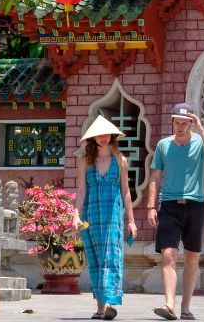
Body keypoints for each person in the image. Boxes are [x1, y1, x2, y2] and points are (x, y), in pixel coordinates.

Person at [146, 102, 204, 321]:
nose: (179, 126)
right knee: (167, 254)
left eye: (184, 123)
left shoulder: (199, 142)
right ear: (173, 122)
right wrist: (151, 205)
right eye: (176, 122)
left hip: (195, 204)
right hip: (168, 205)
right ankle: (169, 304)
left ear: (190, 123)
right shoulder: (163, 145)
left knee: (192, 257)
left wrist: (201, 130)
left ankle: (185, 308)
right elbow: (155, 176)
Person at [72, 116, 136, 321]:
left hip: (113, 216)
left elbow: (126, 192)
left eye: (106, 134)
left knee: (111, 257)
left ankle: (108, 303)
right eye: (98, 135)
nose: (103, 138)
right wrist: (76, 216)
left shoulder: (121, 160)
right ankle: (100, 307)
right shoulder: (84, 161)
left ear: (112, 136)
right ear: (92, 138)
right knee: (96, 259)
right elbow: (81, 190)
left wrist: (132, 221)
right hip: (92, 215)